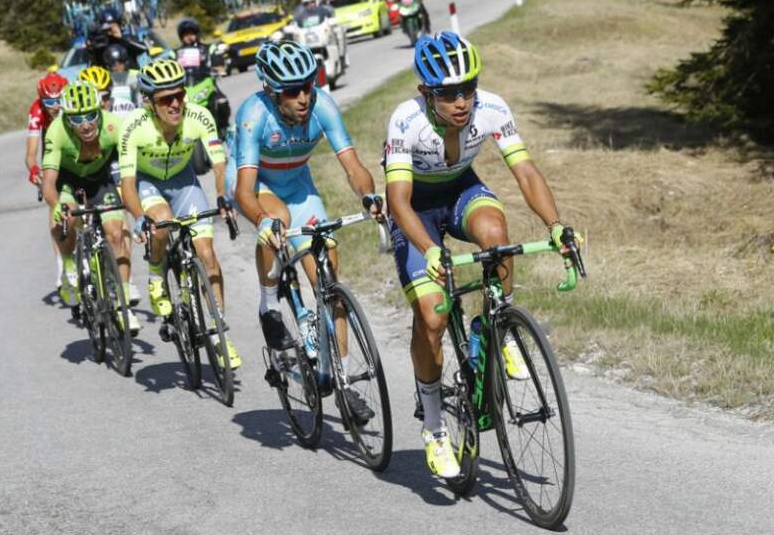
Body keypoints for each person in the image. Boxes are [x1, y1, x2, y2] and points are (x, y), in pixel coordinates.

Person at [384, 32, 581, 478]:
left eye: (468, 89)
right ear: (425, 93)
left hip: (459, 191)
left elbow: (525, 170)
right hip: (413, 208)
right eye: (448, 94)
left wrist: (556, 226)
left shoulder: (492, 108)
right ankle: (434, 427)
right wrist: (431, 250)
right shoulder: (404, 121)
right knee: (432, 317)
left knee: (496, 232)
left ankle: (498, 324)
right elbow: (397, 200)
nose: (461, 102)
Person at [228, 41, 382, 420]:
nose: (303, 97)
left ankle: (343, 380)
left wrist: (369, 195)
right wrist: (261, 221)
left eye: (308, 86)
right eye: (291, 91)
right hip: (258, 184)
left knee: (330, 283)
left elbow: (353, 165)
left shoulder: (323, 106)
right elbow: (244, 192)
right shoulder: (253, 115)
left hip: (299, 187)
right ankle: (269, 304)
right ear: (270, 90)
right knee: (276, 220)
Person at [118, 58, 242, 369]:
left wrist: (222, 196)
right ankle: (157, 271)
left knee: (207, 253)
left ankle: (217, 330)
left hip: (183, 181)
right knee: (160, 223)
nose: (175, 104)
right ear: (148, 102)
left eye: (179, 95)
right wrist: (138, 217)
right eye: (165, 99)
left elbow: (218, 164)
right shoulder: (133, 127)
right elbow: (128, 185)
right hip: (148, 183)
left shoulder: (199, 116)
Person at [40, 81, 140, 332]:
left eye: (90, 116)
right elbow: (48, 182)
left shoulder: (113, 125)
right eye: (77, 118)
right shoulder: (56, 131)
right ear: (67, 118)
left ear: (100, 110)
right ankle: (69, 264)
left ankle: (122, 302)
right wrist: (56, 206)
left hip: (99, 180)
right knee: (67, 217)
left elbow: (131, 170)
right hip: (67, 182)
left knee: (116, 232)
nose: (85, 125)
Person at [78, 65, 142, 306]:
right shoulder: (81, 118)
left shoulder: (121, 109)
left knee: (120, 220)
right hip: (87, 169)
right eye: (97, 97)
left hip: (113, 164)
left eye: (105, 96)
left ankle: (127, 278)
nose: (102, 101)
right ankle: (84, 256)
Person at [25, 71, 68, 288]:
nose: (55, 106)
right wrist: (33, 168)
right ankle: (61, 262)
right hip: (51, 158)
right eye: (49, 102)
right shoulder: (36, 110)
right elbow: (31, 151)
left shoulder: (70, 105)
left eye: (58, 100)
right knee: (55, 206)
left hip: (73, 155)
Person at [174, 18, 230, 134]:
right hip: (185, 87)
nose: (189, 37)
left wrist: (218, 69)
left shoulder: (209, 48)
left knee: (221, 101)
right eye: (185, 34)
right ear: (181, 37)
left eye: (191, 33)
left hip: (205, 84)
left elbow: (219, 65)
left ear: (197, 34)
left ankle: (223, 127)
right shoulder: (174, 53)